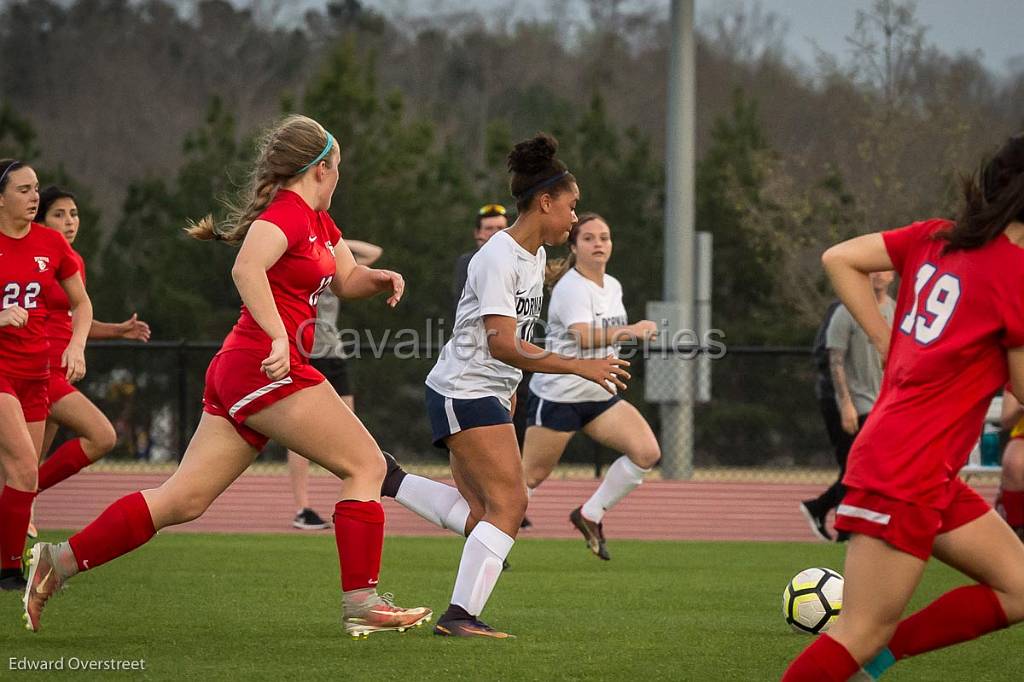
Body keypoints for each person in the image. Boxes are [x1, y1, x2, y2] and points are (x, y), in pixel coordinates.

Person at [22, 115, 431, 638]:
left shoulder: (318, 221)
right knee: (367, 466)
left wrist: (378, 279)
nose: (340, 177)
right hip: (263, 364)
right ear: (320, 169)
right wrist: (280, 336)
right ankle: (361, 601)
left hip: (247, 369)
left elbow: (345, 278)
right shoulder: (285, 214)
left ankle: (59, 560)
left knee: (182, 500)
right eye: (339, 168)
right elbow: (245, 269)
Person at [783, 133, 1024, 680]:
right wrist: (886, 341)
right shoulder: (1014, 273)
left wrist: (884, 339)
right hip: (907, 467)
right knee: (860, 632)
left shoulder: (935, 236)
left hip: (922, 466)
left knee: (1019, 588)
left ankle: (880, 663)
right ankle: (873, 655)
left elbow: (839, 257)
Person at [378, 133, 629, 639]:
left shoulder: (533, 257)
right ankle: (459, 616)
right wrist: (580, 366)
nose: (574, 219)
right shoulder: (497, 256)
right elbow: (501, 343)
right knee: (511, 505)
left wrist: (512, 386)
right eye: (571, 207)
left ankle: (392, 480)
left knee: (482, 512)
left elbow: (512, 342)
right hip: (464, 389)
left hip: (483, 390)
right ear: (545, 202)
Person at [520, 212, 660, 560]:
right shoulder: (571, 286)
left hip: (599, 394)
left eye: (605, 237)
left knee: (646, 453)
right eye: (589, 238)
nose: (599, 243)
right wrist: (633, 330)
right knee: (528, 479)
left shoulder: (612, 285)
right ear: (573, 245)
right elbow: (582, 338)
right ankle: (489, 535)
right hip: (559, 395)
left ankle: (590, 514)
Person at [0, 160, 93, 591]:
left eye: (36, 188)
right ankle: (9, 573)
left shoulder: (51, 244)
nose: (34, 196)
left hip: (36, 372)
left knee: (25, 475)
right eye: (23, 189)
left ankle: (6, 566)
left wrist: (76, 345)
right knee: (21, 465)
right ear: (1, 198)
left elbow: (83, 304)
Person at [34, 187, 151, 506]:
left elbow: (72, 319)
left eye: (74, 214)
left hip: (62, 371)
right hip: (40, 372)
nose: (70, 221)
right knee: (102, 436)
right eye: (59, 214)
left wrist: (117, 330)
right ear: (40, 221)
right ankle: (23, 498)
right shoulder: (33, 259)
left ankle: (17, 510)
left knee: (27, 466)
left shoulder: (73, 261)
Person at [286, 238, 381, 531]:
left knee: (350, 429)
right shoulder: (301, 266)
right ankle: (302, 508)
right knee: (300, 433)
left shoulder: (335, 266)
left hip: (334, 353)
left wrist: (334, 240)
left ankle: (351, 500)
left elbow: (374, 253)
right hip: (307, 351)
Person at [799, 271, 895, 542]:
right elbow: (836, 360)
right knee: (855, 466)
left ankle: (819, 508)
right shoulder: (847, 311)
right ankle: (845, 529)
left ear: (893, 274)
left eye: (883, 268)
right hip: (856, 402)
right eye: (871, 269)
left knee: (865, 468)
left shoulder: (895, 310)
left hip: (882, 403)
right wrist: (846, 404)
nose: (877, 274)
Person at [452, 203, 508, 312]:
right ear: (477, 233)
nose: (495, 233)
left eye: (500, 228)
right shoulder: (467, 262)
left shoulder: (519, 259)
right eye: (489, 228)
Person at [995, 387, 1024, 541]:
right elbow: (1006, 419)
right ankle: (1015, 531)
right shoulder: (1020, 370)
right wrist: (1021, 407)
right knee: (1014, 462)